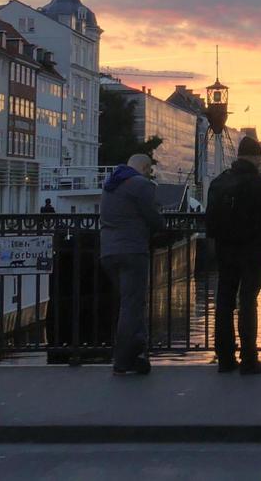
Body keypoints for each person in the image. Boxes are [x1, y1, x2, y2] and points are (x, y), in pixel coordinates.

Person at [205, 135, 261, 374]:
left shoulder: (219, 183)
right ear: (257, 158)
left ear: (238, 156)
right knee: (247, 303)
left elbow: (210, 217)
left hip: (225, 250)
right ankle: (249, 358)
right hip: (253, 251)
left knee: (223, 302)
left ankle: (224, 358)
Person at [99, 154, 165, 376]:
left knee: (129, 304)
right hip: (132, 250)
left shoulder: (110, 183)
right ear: (144, 168)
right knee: (132, 306)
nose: (149, 175)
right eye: (149, 171)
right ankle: (123, 359)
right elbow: (154, 218)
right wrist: (161, 224)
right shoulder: (140, 184)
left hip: (108, 252)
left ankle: (137, 355)